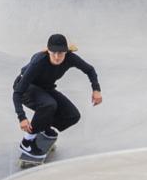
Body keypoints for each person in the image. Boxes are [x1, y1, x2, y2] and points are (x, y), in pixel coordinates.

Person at [13, 33, 102, 161]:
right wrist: (21, 117)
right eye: (53, 52)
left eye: (60, 53)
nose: (56, 56)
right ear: (48, 51)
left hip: (45, 88)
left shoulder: (70, 58)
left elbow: (90, 70)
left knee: (72, 115)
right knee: (49, 104)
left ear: (66, 52)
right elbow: (17, 92)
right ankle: (27, 142)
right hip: (27, 89)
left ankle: (43, 126)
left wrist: (96, 89)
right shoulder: (38, 62)